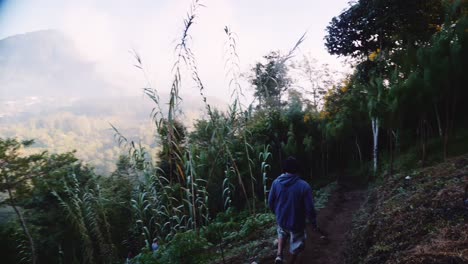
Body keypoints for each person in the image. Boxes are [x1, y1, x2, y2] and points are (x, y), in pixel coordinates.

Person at [268, 156, 318, 264]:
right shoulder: (304, 186)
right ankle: (291, 261)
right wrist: (313, 223)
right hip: (297, 223)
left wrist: (277, 213)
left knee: (282, 232)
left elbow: (270, 202)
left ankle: (279, 255)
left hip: (281, 219)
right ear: (297, 170)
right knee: (297, 243)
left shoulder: (276, 183)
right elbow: (310, 209)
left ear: (284, 169)